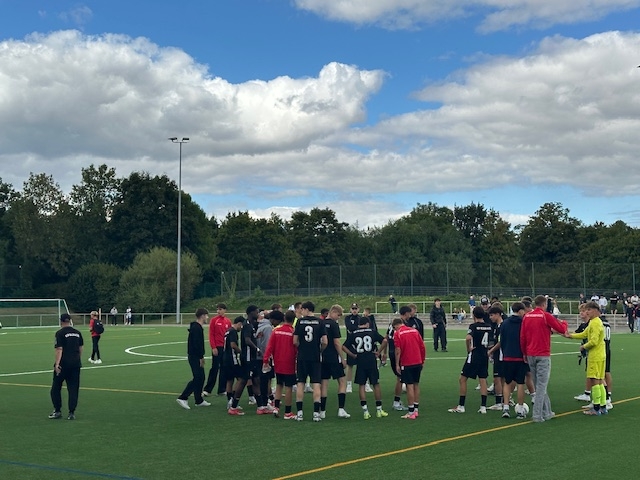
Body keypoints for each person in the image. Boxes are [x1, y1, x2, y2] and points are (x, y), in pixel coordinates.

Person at [520, 295, 568, 423]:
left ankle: (547, 412)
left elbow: (522, 337)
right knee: (541, 385)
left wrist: (524, 353)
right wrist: (564, 323)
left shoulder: (527, 316)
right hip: (542, 354)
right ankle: (537, 414)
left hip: (530, 353)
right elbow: (561, 329)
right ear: (544, 304)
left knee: (539, 384)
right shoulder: (545, 316)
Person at [448, 306, 493, 414]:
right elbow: (491, 342)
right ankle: (483, 407)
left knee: (462, 379)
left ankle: (461, 406)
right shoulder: (489, 326)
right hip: (484, 355)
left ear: (474, 315)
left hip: (474, 355)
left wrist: (468, 348)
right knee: (483, 380)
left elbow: (468, 338)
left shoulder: (473, 326)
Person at [563, 302, 606, 415]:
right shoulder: (595, 322)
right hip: (601, 355)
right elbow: (584, 334)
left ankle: (596, 408)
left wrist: (584, 346)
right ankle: (603, 406)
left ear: (595, 310)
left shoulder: (595, 323)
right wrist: (571, 336)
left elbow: (594, 341)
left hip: (595, 356)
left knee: (594, 381)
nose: (586, 312)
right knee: (600, 381)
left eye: (588, 310)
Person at [343, 316, 389, 419]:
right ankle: (379, 410)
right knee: (375, 384)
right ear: (367, 324)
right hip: (371, 359)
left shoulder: (354, 333)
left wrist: (352, 355)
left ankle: (365, 411)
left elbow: (344, 346)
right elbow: (385, 341)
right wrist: (378, 352)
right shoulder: (372, 332)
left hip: (360, 360)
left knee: (361, 385)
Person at [293, 301, 328, 422]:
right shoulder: (320, 322)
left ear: (307, 309)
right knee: (316, 384)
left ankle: (300, 413)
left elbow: (295, 341)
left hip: (302, 356)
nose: (301, 311)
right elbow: (325, 342)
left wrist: (302, 348)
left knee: (300, 383)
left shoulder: (300, 322)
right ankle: (316, 414)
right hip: (315, 357)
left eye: (302, 309)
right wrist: (319, 350)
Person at [262, 310, 297, 419]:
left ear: (284, 318)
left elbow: (269, 346)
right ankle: (287, 412)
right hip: (289, 362)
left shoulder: (276, 331)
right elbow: (296, 348)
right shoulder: (293, 332)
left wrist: (265, 359)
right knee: (288, 387)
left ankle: (276, 408)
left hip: (278, 362)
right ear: (293, 320)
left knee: (279, 385)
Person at [49, 313, 84, 420]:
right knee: (73, 389)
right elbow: (80, 348)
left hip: (63, 364)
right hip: (75, 364)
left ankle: (57, 410)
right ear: (69, 321)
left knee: (56, 388)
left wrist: (57, 364)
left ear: (61, 321)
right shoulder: (77, 333)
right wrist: (77, 359)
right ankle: (71, 412)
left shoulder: (60, 333)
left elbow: (59, 349)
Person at [497, 302, 529, 419]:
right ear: (520, 311)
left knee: (507, 382)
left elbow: (502, 340)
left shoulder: (505, 323)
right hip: (520, 357)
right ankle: (520, 409)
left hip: (507, 356)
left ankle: (505, 408)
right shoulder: (524, 322)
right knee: (520, 383)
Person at [176, 308, 210, 410]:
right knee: (198, 377)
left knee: (201, 377)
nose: (207, 317)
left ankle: (199, 400)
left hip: (196, 356)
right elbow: (196, 345)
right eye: (206, 315)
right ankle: (183, 397)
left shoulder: (197, 327)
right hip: (194, 356)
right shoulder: (196, 328)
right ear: (202, 316)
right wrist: (200, 357)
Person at [320, 304, 350, 419]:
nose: (339, 317)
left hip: (323, 357)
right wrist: (342, 358)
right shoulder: (333, 324)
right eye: (338, 315)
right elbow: (337, 343)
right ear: (333, 312)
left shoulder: (320, 323)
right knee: (342, 381)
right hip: (333, 357)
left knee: (324, 383)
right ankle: (341, 409)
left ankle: (322, 411)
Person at [393, 316, 426, 420]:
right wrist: (422, 360)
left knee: (409, 386)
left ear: (396, 326)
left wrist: (397, 364)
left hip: (407, 362)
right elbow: (422, 346)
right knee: (416, 384)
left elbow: (398, 350)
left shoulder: (398, 333)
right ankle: (416, 410)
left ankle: (411, 412)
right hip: (418, 361)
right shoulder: (415, 331)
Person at [203, 303, 232, 397]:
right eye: (217, 309)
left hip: (225, 348)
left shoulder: (228, 321)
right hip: (217, 347)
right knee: (215, 368)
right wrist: (213, 347)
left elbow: (229, 335)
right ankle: (208, 389)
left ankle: (222, 389)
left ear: (224, 310)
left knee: (224, 368)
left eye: (220, 309)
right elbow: (211, 334)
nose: (218, 311)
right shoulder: (214, 320)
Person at [224, 317, 246, 415]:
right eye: (241, 326)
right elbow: (233, 345)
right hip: (232, 359)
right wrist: (241, 352)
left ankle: (229, 401)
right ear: (239, 323)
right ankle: (233, 400)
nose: (241, 328)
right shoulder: (233, 332)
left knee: (230, 380)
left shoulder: (228, 331)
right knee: (241, 379)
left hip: (225, 358)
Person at [344, 303, 362, 393]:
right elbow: (350, 327)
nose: (354, 310)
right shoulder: (348, 318)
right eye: (353, 308)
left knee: (362, 365)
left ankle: (365, 383)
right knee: (350, 365)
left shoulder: (360, 318)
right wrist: (357, 327)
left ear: (358, 309)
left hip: (360, 344)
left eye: (356, 308)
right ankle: (349, 385)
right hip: (351, 344)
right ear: (350, 309)